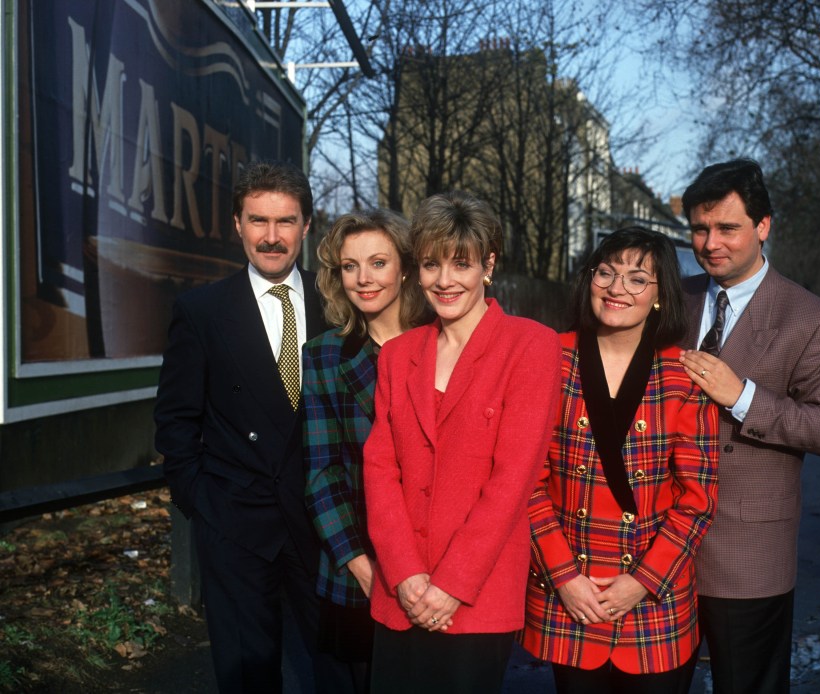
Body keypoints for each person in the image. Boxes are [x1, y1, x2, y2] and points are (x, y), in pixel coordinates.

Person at [362, 191, 562, 693]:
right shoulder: (398, 354)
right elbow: (380, 469)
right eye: (431, 264)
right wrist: (406, 575)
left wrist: (450, 585)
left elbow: (513, 481)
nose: (444, 280)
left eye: (461, 263)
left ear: (488, 264)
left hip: (476, 597)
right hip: (400, 593)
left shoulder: (530, 346)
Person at [154, 162, 340, 693]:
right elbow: (175, 422)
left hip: (327, 529)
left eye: (285, 221)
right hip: (236, 526)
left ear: (307, 225)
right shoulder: (202, 311)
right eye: (258, 220)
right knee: (247, 677)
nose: (272, 237)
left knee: (344, 672)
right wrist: (206, 506)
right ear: (236, 224)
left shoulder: (340, 304)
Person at [677, 159, 820, 694]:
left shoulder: (813, 319)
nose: (711, 243)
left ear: (763, 226)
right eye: (700, 229)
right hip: (657, 546)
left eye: (727, 228)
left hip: (749, 552)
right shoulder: (669, 298)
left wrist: (744, 397)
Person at [522, 227, 720, 693]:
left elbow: (698, 501)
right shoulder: (549, 358)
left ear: (659, 295)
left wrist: (642, 582)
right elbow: (526, 481)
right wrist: (565, 577)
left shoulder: (683, 376)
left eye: (636, 279)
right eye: (605, 273)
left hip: (654, 601)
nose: (616, 288)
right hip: (571, 594)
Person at [303, 209, 428, 692]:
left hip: (439, 565)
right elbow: (321, 472)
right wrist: (360, 565)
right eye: (350, 266)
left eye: (378, 262)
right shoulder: (323, 356)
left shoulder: (444, 342)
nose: (363, 278)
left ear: (404, 266)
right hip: (361, 566)